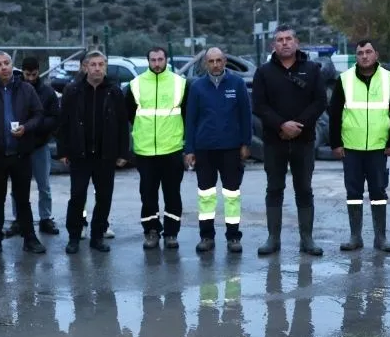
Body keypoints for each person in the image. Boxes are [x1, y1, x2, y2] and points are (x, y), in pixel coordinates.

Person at [251, 26, 326, 256]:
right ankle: (273, 239)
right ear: (274, 45)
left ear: (297, 42)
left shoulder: (312, 70)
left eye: (289, 39)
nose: (284, 43)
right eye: (280, 40)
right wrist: (282, 125)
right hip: (274, 142)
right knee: (274, 188)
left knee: (304, 189)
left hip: (304, 141)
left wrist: (298, 126)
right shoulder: (264, 72)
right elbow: (259, 106)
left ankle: (307, 240)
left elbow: (320, 102)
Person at [329, 39, 390, 254]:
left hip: (378, 148)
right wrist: (336, 143)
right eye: (360, 52)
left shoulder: (388, 79)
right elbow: (334, 113)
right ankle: (355, 236)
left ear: (376, 55)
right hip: (351, 147)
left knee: (378, 192)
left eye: (368, 52)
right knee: (353, 191)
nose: (364, 56)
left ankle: (381, 237)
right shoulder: (344, 79)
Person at [0, 52, 45, 257]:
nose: (4, 67)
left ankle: (30, 238)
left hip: (20, 155)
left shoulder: (26, 89)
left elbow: (38, 114)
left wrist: (26, 128)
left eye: (7, 63)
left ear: (12, 65)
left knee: (23, 200)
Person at [56, 51, 129, 254]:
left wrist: (123, 152)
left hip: (105, 156)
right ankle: (74, 237)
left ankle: (97, 237)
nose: (97, 68)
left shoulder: (114, 91)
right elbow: (63, 123)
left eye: (101, 64)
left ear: (105, 67)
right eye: (93, 64)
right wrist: (63, 151)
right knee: (77, 196)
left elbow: (123, 124)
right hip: (80, 155)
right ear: (85, 67)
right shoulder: (72, 90)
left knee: (104, 197)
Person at [183, 47, 252, 254]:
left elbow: (245, 115)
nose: (215, 64)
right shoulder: (197, 87)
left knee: (232, 194)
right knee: (206, 195)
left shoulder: (237, 84)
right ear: (205, 63)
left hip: (231, 149)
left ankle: (233, 238)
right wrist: (189, 149)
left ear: (224, 62)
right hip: (205, 150)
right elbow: (191, 119)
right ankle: (206, 237)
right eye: (211, 61)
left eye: (219, 60)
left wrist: (246, 143)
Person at [125, 47, 187, 250]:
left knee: (172, 194)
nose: (157, 63)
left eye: (160, 59)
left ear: (166, 60)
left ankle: (171, 233)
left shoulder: (180, 83)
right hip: (145, 151)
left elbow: (187, 115)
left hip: (172, 149)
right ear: (148, 61)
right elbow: (130, 114)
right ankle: (151, 231)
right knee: (148, 194)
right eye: (153, 60)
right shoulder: (136, 85)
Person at [5, 57, 60, 237]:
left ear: (38, 72)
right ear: (22, 71)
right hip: (20, 145)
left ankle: (46, 218)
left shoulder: (47, 92)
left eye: (33, 74)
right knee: (18, 186)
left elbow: (54, 118)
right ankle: (18, 219)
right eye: (27, 74)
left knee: (43, 185)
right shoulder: (15, 90)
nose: (30, 78)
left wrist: (35, 126)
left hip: (39, 144)